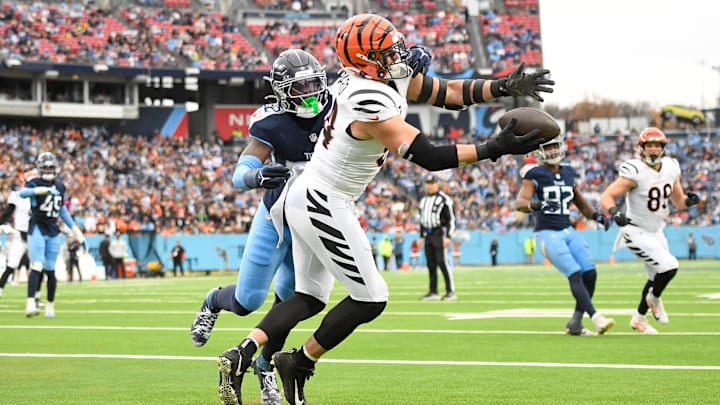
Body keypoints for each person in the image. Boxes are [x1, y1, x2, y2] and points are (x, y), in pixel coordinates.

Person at [215, 13, 555, 405]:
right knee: (371, 298)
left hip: (310, 194)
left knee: (309, 298)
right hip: (324, 200)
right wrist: (494, 149)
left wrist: (504, 86)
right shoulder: (366, 97)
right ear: (366, 61)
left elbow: (448, 93)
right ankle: (299, 363)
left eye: (395, 45)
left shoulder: (375, 74)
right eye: (387, 50)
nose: (398, 53)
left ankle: (241, 354)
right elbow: (428, 155)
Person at [599, 127, 700, 334]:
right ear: (642, 148)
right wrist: (615, 213)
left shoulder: (671, 167)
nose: (653, 150)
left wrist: (688, 202)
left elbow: (678, 201)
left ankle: (639, 318)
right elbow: (605, 197)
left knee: (655, 277)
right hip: (635, 231)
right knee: (670, 266)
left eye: (657, 145)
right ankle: (654, 299)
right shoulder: (634, 171)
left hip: (657, 231)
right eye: (649, 146)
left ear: (663, 148)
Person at [516, 134, 615, 336]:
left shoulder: (569, 172)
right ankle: (596, 317)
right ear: (539, 152)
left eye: (555, 146)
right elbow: (520, 203)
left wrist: (597, 216)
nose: (553, 151)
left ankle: (576, 323)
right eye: (548, 147)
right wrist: (539, 204)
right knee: (575, 273)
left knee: (590, 272)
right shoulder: (534, 173)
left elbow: (580, 202)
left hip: (568, 230)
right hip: (547, 233)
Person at [19, 152, 85, 317]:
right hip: (38, 227)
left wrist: (75, 230)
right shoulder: (34, 183)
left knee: (50, 268)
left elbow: (62, 210)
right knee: (37, 264)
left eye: (51, 167)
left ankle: (50, 306)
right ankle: (30, 304)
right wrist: (40, 190)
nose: (48, 169)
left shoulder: (60, 186)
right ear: (40, 168)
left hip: (53, 229)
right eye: (46, 167)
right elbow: (23, 193)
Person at [418, 174, 456, 301]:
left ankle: (450, 291)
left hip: (439, 232)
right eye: (428, 183)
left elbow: (451, 219)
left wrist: (448, 236)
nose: (429, 186)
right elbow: (422, 220)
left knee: (442, 262)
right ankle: (433, 291)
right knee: (430, 263)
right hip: (428, 234)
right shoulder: (423, 201)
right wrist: (421, 236)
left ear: (437, 184)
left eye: (432, 183)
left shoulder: (444, 199)